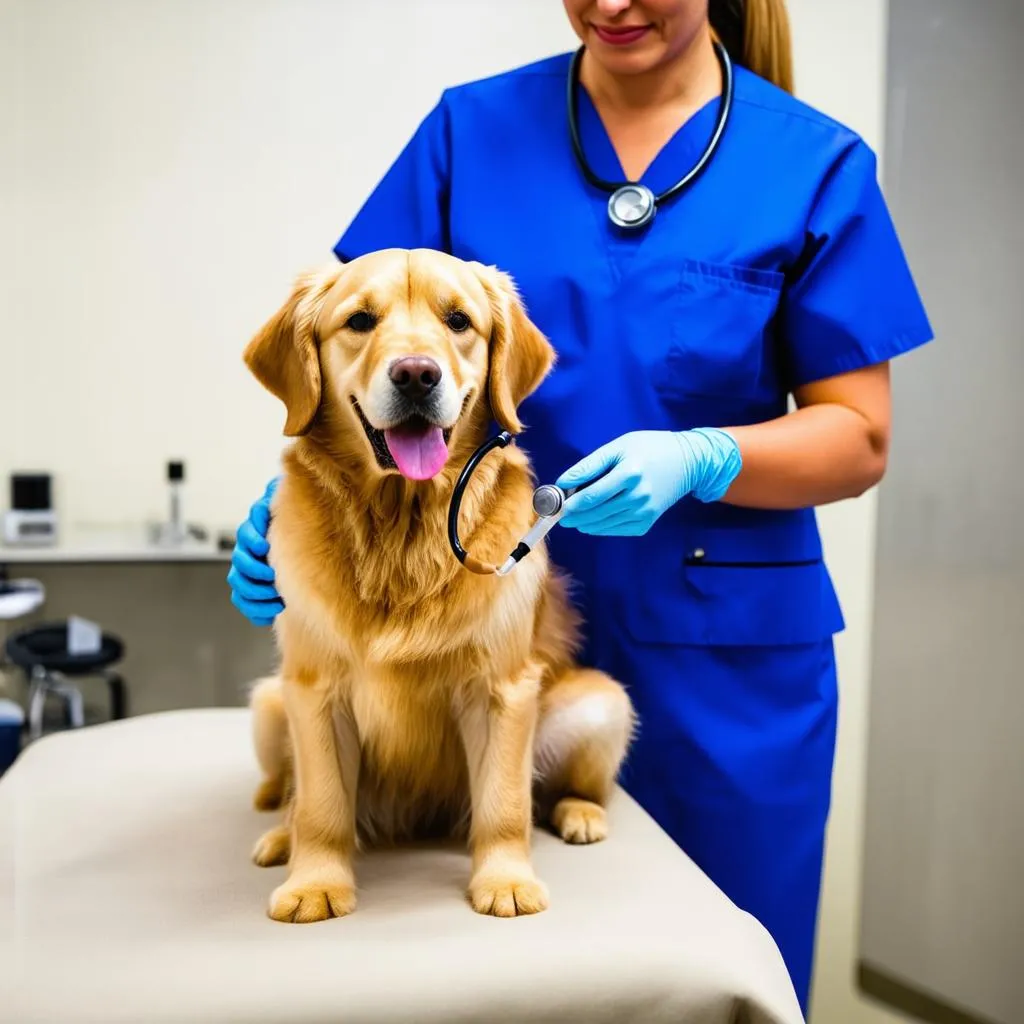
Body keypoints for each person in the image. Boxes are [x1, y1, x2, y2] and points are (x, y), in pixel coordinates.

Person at [227, 0, 932, 1011]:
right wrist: (292, 522)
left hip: (719, 670)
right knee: (488, 983)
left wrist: (702, 456)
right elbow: (357, 344)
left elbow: (859, 434)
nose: (609, 5)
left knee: (715, 985)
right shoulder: (467, 136)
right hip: (473, 625)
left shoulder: (814, 165)